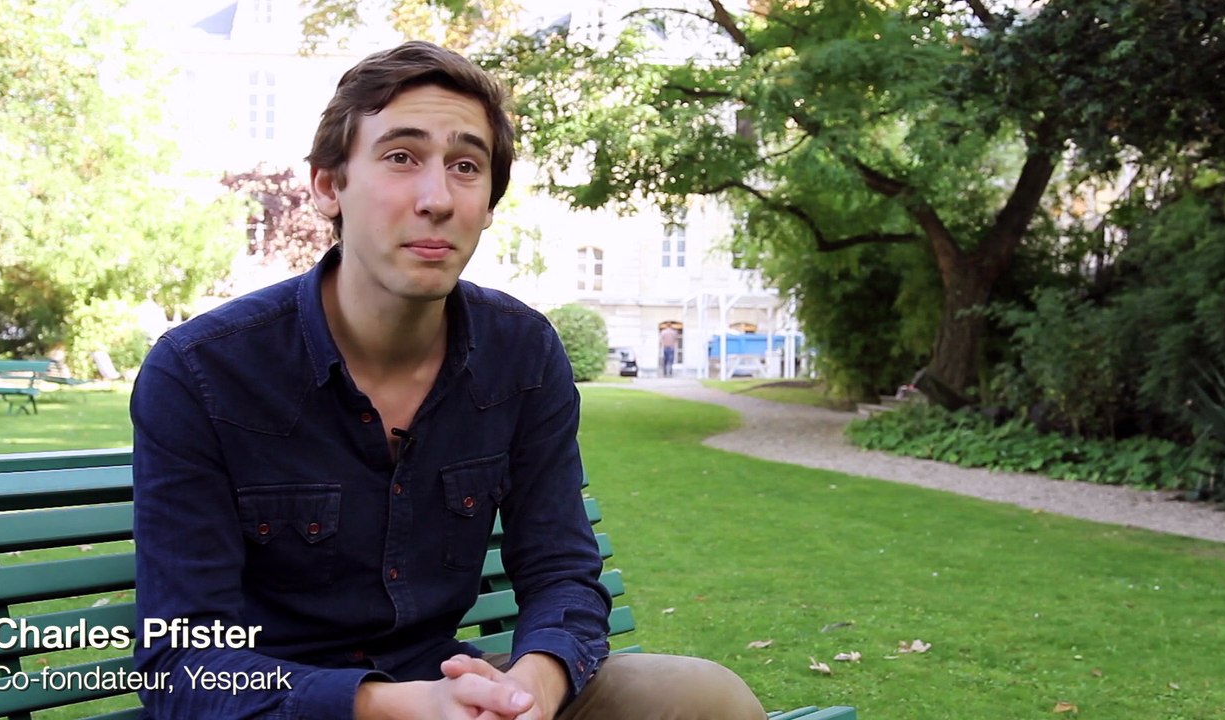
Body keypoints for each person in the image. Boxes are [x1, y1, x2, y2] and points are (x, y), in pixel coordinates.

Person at [130, 41, 766, 719]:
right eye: (401, 156)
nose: (436, 198)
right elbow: (182, 663)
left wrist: (531, 691)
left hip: (452, 689)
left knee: (705, 697)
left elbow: (562, 574)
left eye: (466, 166)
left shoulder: (520, 354)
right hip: (292, 705)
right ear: (327, 185)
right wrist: (405, 708)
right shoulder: (203, 372)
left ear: (489, 202)